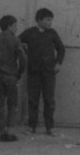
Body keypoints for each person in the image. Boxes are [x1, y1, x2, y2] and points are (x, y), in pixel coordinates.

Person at [20, 8, 65, 136]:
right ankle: (31, 127)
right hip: (33, 72)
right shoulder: (30, 32)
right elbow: (17, 42)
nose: (50, 23)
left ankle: (50, 128)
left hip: (49, 73)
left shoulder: (52, 33)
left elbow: (61, 49)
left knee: (49, 100)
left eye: (51, 20)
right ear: (39, 20)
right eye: (47, 20)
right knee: (33, 100)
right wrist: (24, 50)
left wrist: (58, 63)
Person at [0, 15, 27, 142]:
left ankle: (1, 132)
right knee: (12, 104)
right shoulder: (15, 41)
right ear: (9, 26)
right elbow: (23, 59)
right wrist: (19, 72)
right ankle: (10, 131)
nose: (16, 28)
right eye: (15, 25)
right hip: (11, 76)